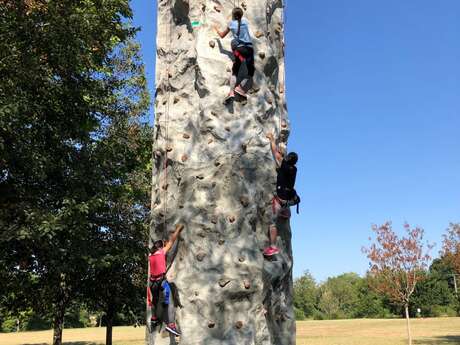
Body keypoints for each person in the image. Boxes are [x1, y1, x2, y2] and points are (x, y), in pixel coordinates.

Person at [264, 133, 299, 257]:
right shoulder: (294, 169)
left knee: (272, 224)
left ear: (287, 159)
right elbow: (282, 158)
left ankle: (273, 247)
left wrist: (272, 140)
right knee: (284, 205)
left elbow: (275, 152)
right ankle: (285, 212)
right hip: (289, 200)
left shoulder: (283, 165)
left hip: (280, 200)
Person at [148, 223, 184, 336]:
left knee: (154, 300)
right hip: (161, 282)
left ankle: (154, 318)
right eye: (163, 245)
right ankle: (171, 325)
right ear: (161, 247)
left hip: (152, 282)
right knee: (169, 302)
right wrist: (178, 229)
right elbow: (172, 240)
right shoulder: (162, 252)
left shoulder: (150, 256)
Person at [213, 7, 255, 102]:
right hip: (249, 49)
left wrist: (216, 29)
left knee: (235, 71)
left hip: (239, 49)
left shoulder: (231, 24)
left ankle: (231, 92)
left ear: (233, 15)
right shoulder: (245, 21)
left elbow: (222, 35)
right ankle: (240, 88)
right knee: (250, 72)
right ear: (241, 15)